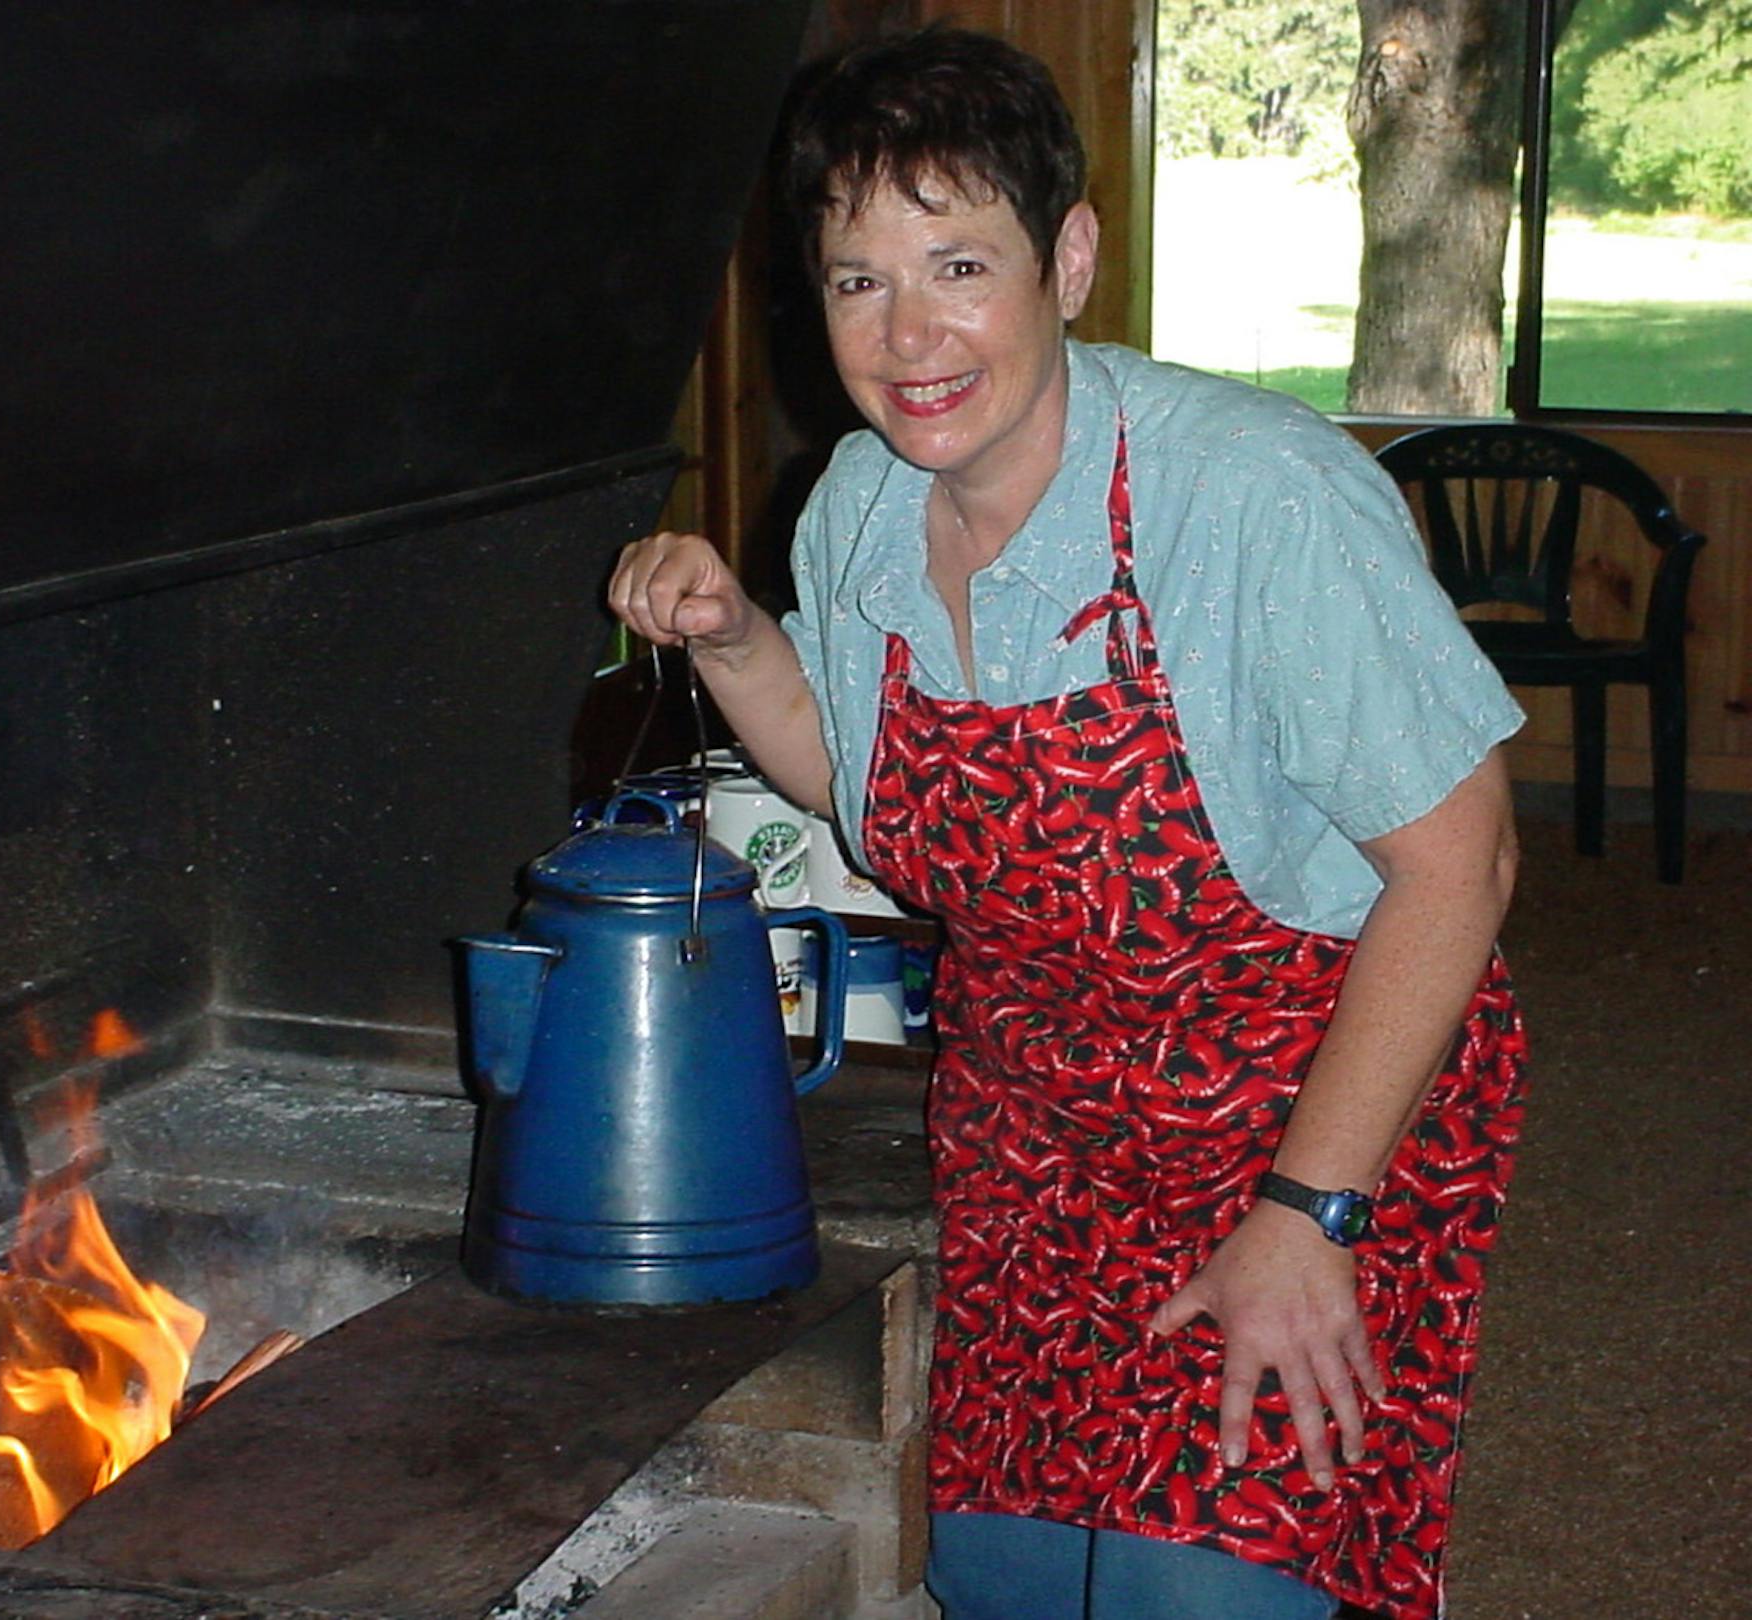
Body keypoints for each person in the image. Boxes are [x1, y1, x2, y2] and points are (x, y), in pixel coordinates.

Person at [607, 26, 1529, 1620]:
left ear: (1071, 260)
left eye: (959, 265)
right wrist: (736, 640)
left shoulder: (1254, 499)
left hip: (1310, 1104)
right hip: (1039, 1135)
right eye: (858, 280)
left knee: (1208, 1589)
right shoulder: (856, 507)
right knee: (1001, 1570)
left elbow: (1464, 866)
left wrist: (1309, 1214)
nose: (909, 336)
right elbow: (863, 791)